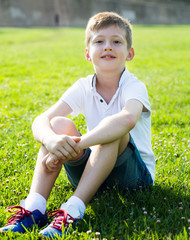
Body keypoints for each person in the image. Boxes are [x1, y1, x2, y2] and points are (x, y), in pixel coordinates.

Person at [0, 12, 155, 238]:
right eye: (99, 41)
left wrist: (78, 144)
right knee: (58, 124)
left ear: (129, 54)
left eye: (116, 41)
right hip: (94, 170)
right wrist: (53, 141)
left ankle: (72, 211)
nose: (108, 47)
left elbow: (128, 119)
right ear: (87, 53)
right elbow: (41, 121)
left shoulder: (134, 86)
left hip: (133, 178)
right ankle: (34, 208)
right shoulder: (84, 86)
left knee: (112, 130)